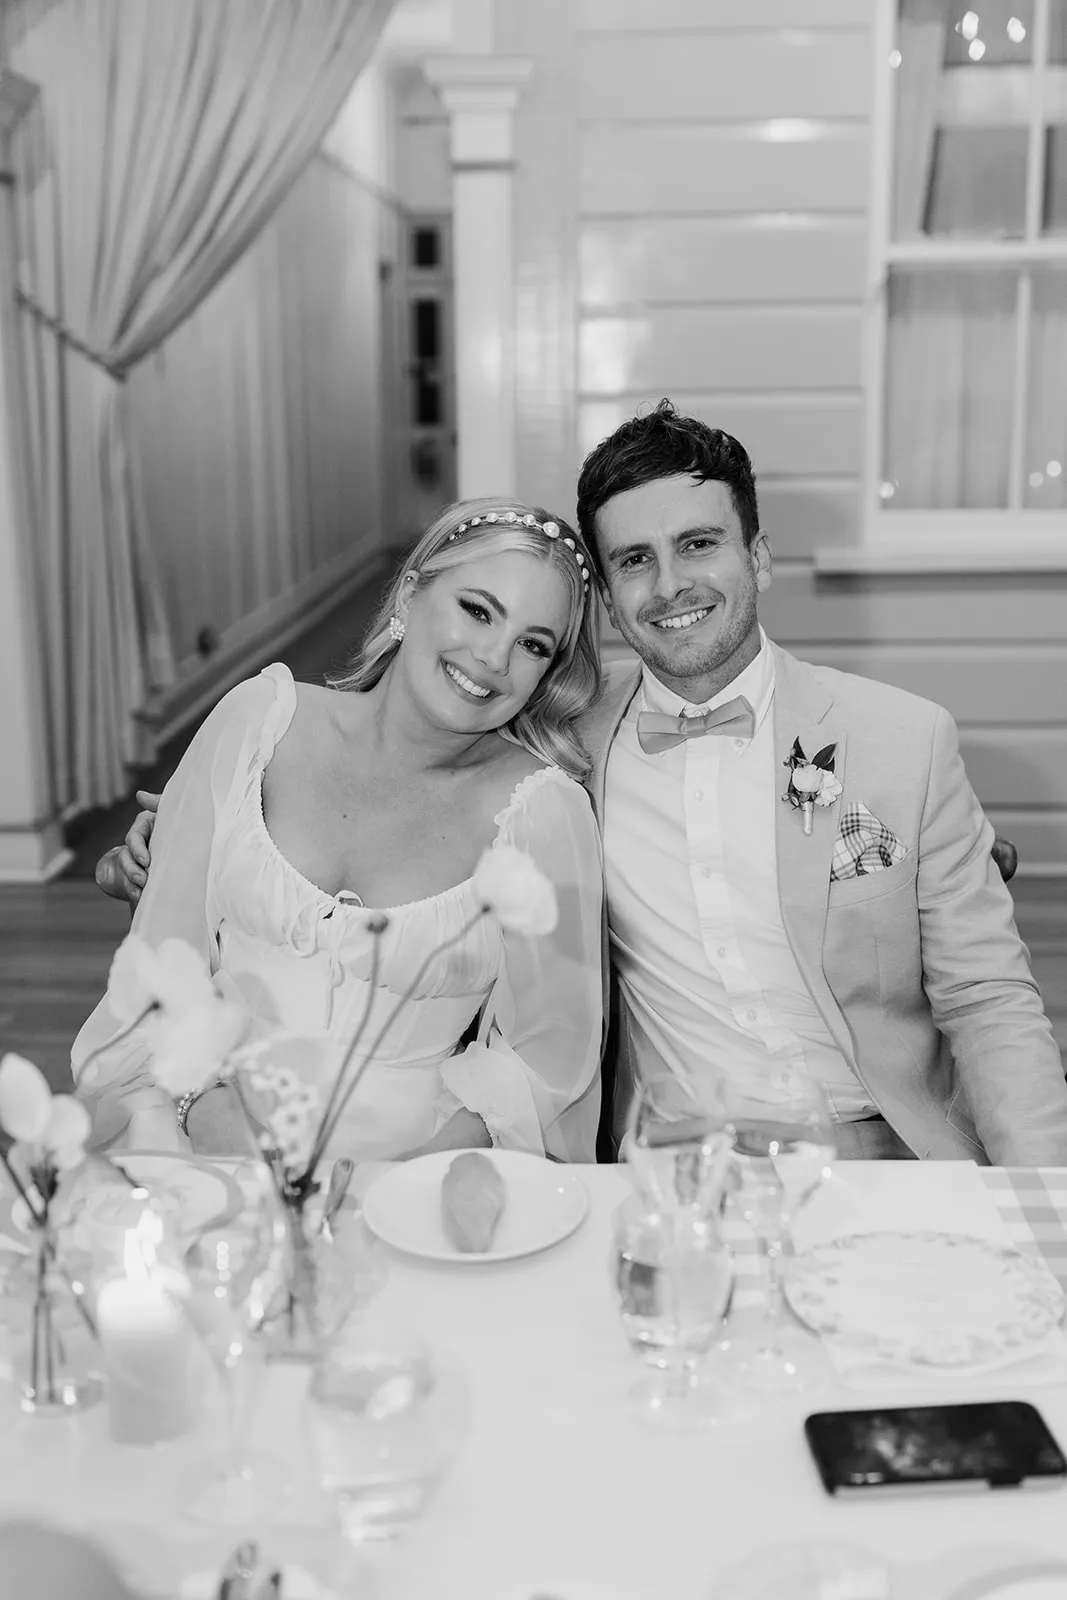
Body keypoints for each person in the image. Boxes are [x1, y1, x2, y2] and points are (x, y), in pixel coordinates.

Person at [574, 402, 1067, 1165]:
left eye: (698, 544)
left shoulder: (905, 741)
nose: (669, 585)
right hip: (670, 1171)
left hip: (877, 1150)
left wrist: (1046, 1202)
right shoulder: (567, 742)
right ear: (607, 597)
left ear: (759, 557)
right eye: (634, 560)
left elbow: (986, 999)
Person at [75, 499, 605, 1163]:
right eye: (477, 609)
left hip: (415, 1172)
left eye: (532, 644)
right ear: (411, 595)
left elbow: (548, 1059)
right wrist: (201, 1111)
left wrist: (394, 1187)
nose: (495, 657)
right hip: (200, 1130)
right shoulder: (259, 723)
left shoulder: (542, 812)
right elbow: (160, 966)